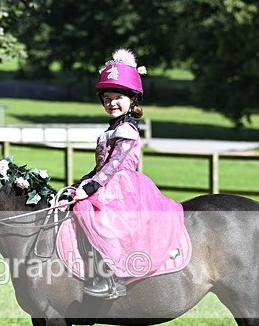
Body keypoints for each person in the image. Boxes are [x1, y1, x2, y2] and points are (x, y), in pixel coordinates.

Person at [73, 48, 184, 298]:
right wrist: (84, 180)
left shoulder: (128, 130)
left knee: (93, 215)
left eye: (117, 98)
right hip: (106, 182)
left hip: (122, 186)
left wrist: (91, 187)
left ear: (132, 99)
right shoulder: (111, 130)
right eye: (107, 98)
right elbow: (102, 166)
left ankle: (112, 278)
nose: (111, 103)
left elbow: (114, 165)